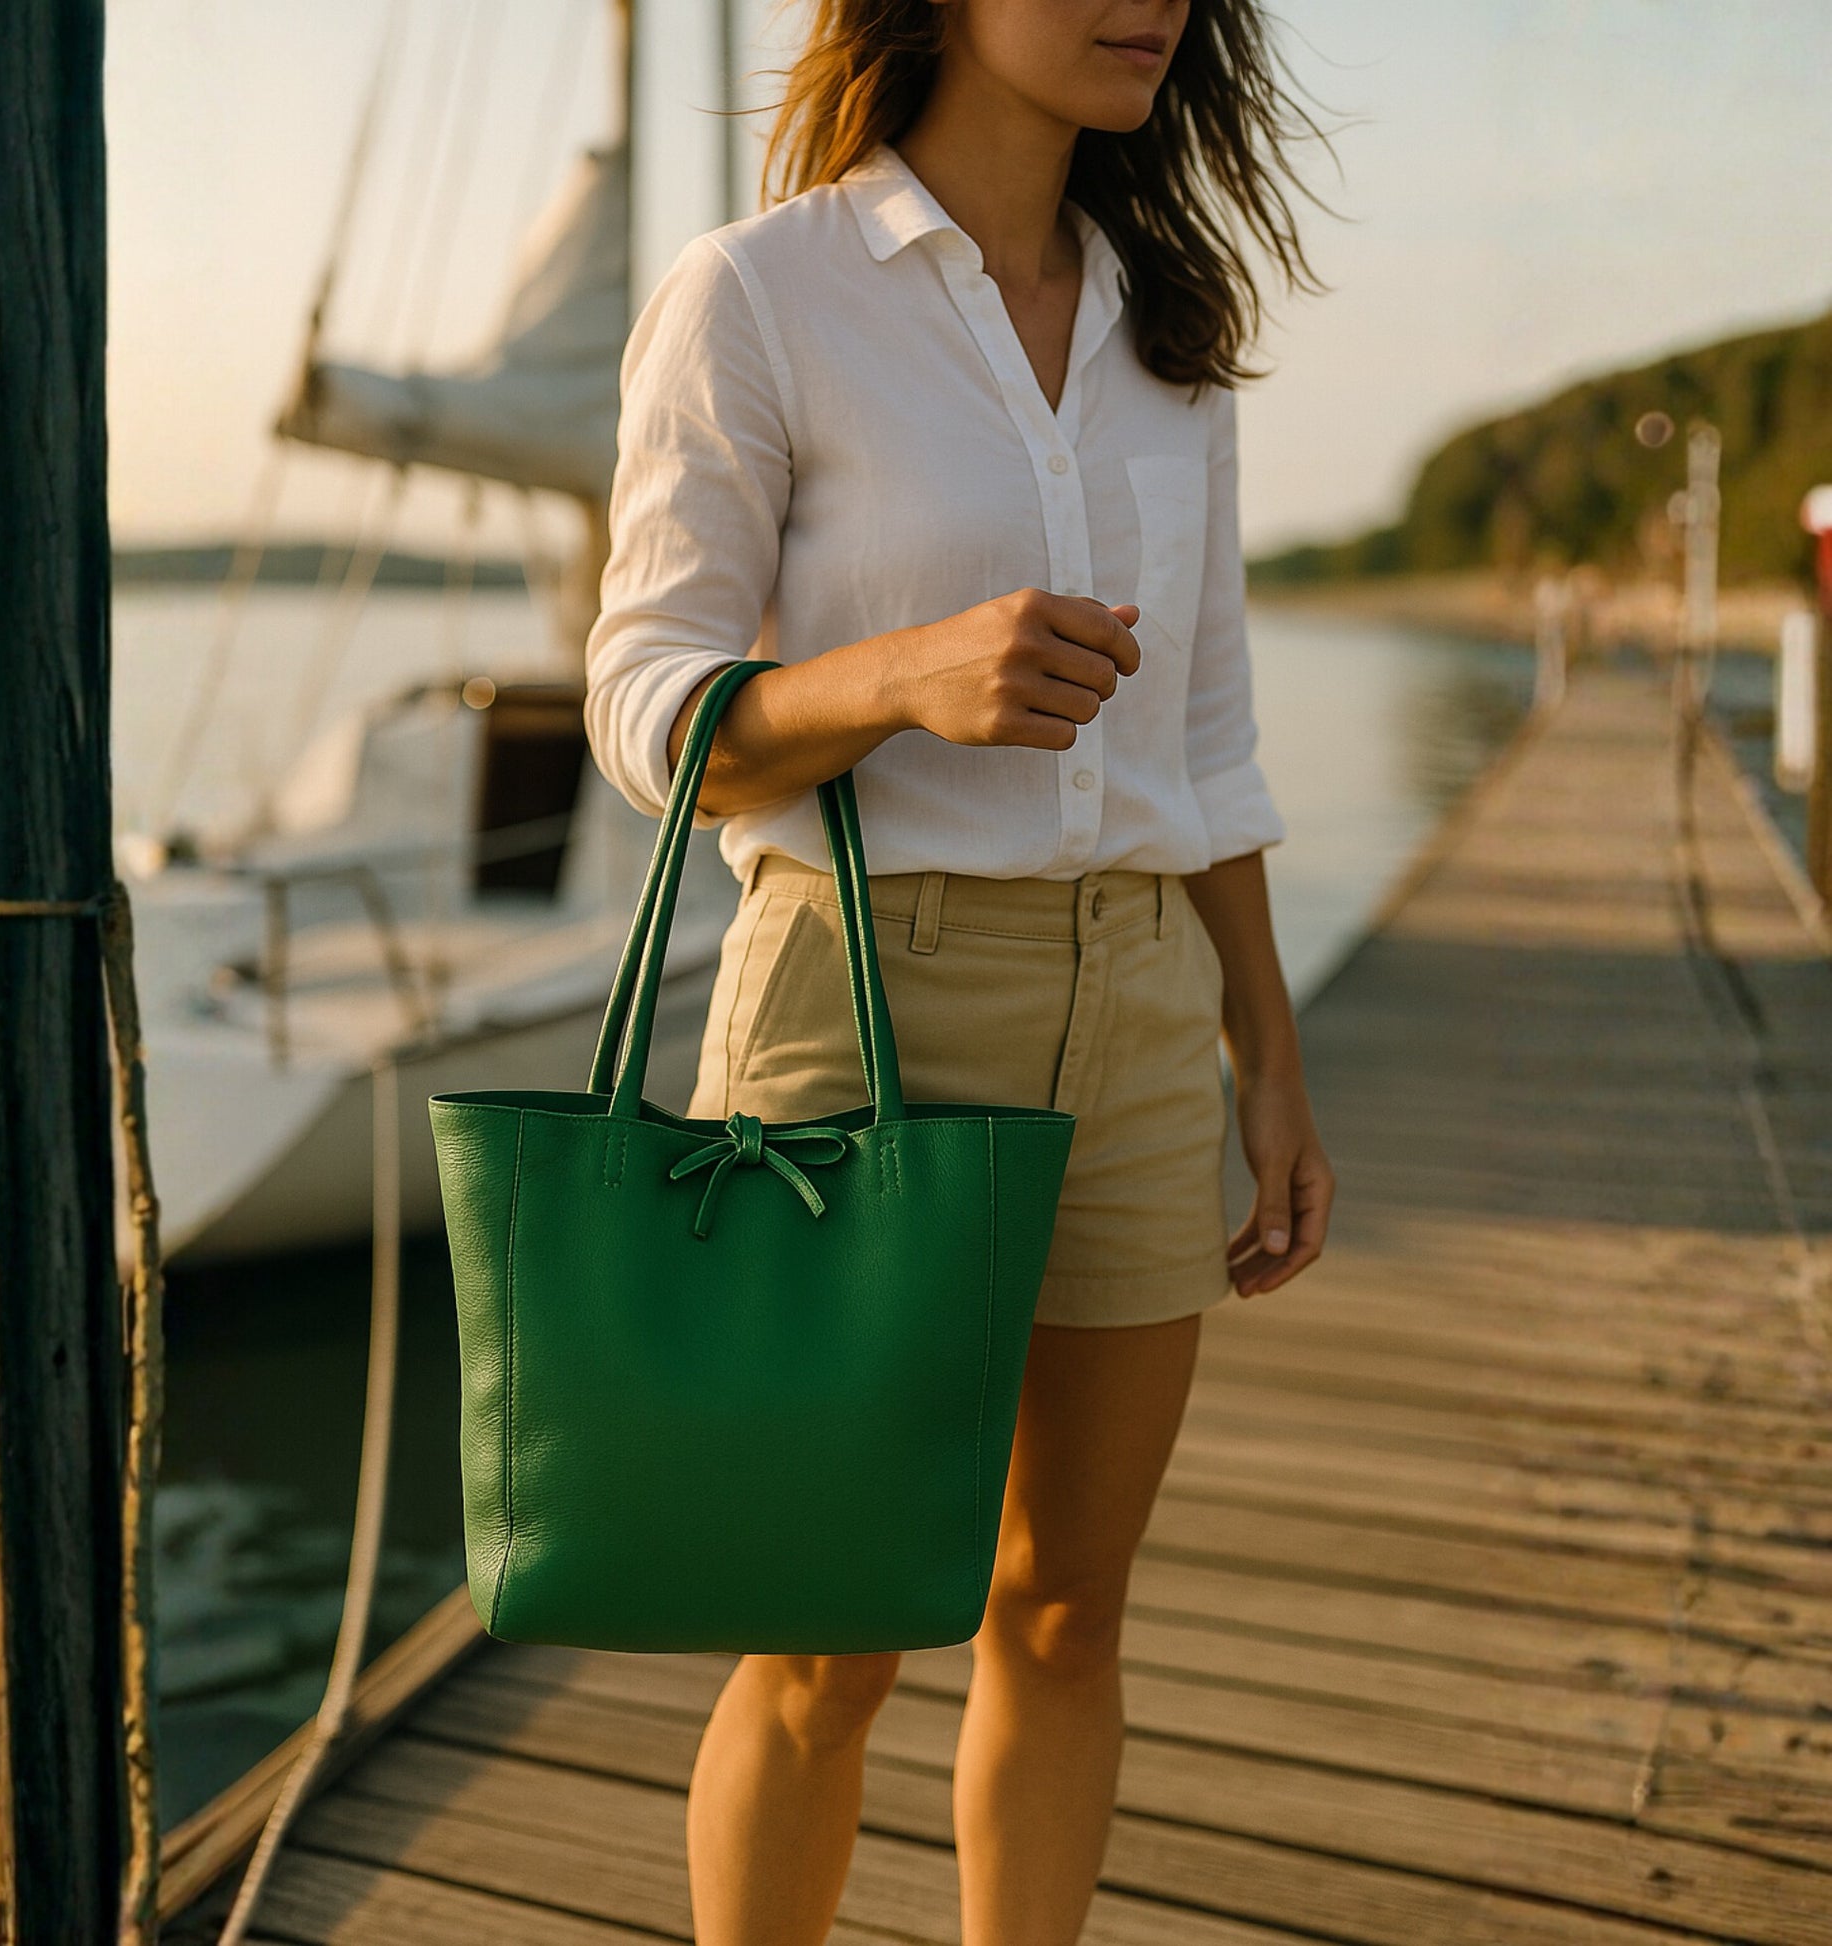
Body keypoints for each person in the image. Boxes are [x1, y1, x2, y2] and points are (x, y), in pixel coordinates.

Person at [582, 3, 1337, 1939]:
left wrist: (1266, 1051)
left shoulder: (1167, 324)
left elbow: (1211, 736)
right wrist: (901, 675)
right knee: (825, 1640)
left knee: (1067, 1607)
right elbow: (645, 707)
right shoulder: (759, 294)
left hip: (1140, 1008)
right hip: (862, 1002)